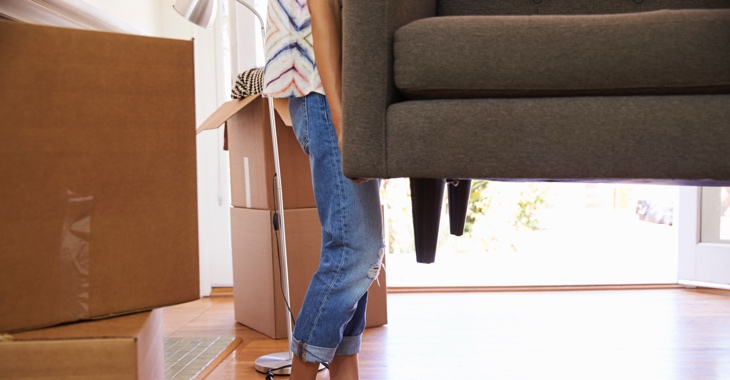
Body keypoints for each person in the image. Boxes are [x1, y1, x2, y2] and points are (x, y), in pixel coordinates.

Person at [263, 1, 385, 379]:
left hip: (340, 90)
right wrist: (342, 118)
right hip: (323, 89)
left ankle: (345, 367)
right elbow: (324, 10)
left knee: (350, 241)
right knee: (356, 248)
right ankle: (302, 368)